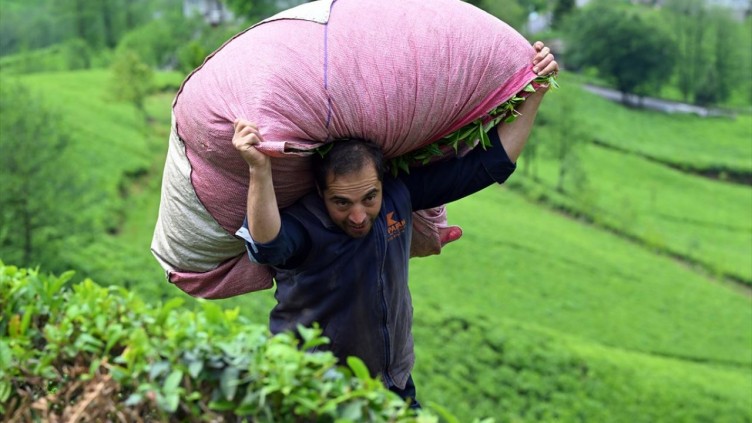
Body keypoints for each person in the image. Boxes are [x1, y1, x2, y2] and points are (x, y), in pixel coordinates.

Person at [233, 42, 558, 408]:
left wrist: (536, 91)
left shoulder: (398, 196)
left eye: (368, 198)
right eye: (341, 202)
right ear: (320, 192)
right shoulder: (306, 226)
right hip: (314, 394)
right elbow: (268, 245)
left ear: (383, 184)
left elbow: (488, 165)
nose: (358, 215)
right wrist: (259, 170)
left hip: (394, 386)